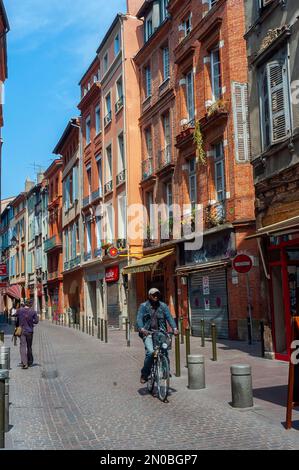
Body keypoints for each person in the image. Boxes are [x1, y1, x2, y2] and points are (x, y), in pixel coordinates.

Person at [136, 288, 179, 384]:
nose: (156, 296)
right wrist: (142, 328)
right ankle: (145, 374)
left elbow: (169, 317)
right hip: (147, 333)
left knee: (164, 350)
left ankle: (165, 371)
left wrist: (175, 328)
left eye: (157, 294)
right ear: (149, 296)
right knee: (151, 352)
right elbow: (139, 319)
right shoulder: (143, 306)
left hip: (160, 332)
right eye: (153, 294)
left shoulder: (163, 306)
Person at [16, 299, 39, 369]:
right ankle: (30, 361)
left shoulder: (20, 310)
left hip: (22, 331)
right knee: (29, 346)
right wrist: (31, 321)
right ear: (31, 304)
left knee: (22, 346)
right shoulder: (33, 312)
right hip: (29, 331)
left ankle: (24, 363)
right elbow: (36, 321)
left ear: (25, 304)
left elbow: (15, 315)